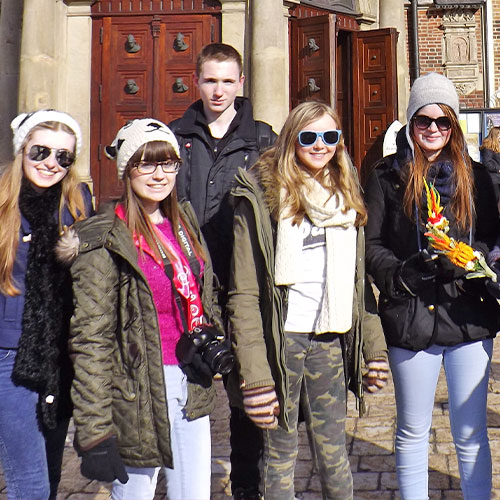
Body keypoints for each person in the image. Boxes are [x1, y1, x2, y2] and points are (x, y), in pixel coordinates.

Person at [226, 101, 389, 500]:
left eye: (330, 136)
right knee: (280, 453)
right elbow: (243, 292)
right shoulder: (263, 196)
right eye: (309, 136)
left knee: (334, 453)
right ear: (291, 139)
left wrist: (374, 348)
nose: (320, 145)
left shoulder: (347, 195)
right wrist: (256, 372)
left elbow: (357, 285)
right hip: (284, 340)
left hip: (330, 339)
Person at [59, 118, 225, 500]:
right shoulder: (103, 237)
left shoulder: (184, 223)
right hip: (136, 389)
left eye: (168, 163)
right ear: (126, 169)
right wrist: (95, 429)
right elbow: (91, 339)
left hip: (190, 381)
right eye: (145, 163)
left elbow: (202, 294)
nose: (159, 174)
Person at [364, 72, 500, 500]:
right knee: (412, 430)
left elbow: (493, 237)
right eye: (424, 120)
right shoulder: (387, 176)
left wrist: (472, 258)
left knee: (470, 432)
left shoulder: (478, 178)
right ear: (410, 121)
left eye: (444, 122)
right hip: (411, 316)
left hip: (467, 316)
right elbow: (371, 245)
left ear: (456, 125)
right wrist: (401, 273)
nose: (434, 130)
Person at [169, 42, 276, 500]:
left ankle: (247, 485)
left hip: (243, 281)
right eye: (210, 80)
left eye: (227, 80)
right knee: (187, 386)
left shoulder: (263, 139)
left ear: (241, 83)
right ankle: (183, 481)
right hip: (188, 281)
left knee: (246, 388)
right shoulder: (175, 135)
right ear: (197, 81)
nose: (218, 90)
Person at [0, 109, 93, 500]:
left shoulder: (77, 204)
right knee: (31, 486)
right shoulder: (4, 202)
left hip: (59, 354)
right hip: (8, 355)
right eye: (40, 152)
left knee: (52, 475)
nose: (50, 163)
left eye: (63, 156)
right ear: (23, 150)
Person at [480, 126, 500, 205]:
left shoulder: (498, 146)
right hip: (494, 178)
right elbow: (487, 163)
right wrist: (498, 169)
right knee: (496, 199)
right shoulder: (487, 148)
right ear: (495, 135)